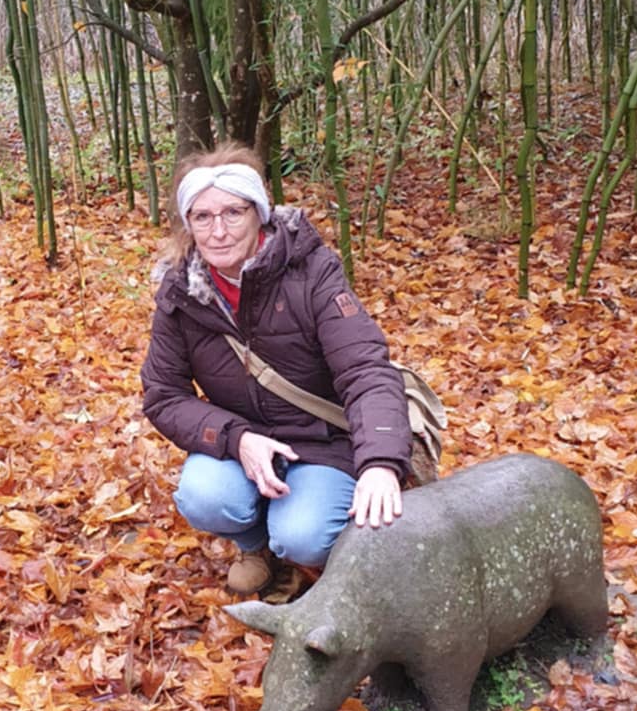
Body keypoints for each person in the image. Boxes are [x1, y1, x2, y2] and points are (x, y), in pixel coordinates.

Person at [141, 142, 433, 597]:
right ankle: (256, 546)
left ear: (259, 213)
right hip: (246, 440)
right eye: (202, 217)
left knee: (304, 533)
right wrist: (237, 439)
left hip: (323, 441)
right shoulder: (181, 293)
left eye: (233, 213)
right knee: (203, 496)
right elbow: (163, 394)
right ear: (188, 224)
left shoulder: (312, 272)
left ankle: (300, 553)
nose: (218, 231)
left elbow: (366, 371)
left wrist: (379, 463)